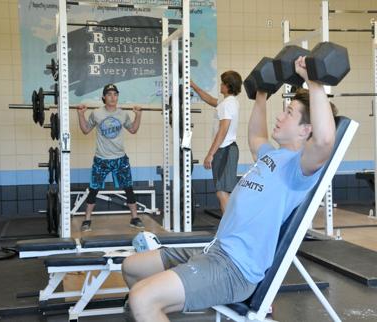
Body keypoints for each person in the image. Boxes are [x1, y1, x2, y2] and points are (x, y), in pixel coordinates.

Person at [121, 56, 337, 322]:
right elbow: (256, 137)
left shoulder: (299, 170)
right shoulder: (272, 154)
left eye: (289, 113)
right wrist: (261, 95)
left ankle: (152, 305)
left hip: (235, 268)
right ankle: (154, 309)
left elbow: (326, 140)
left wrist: (313, 81)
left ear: (306, 130)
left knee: (142, 298)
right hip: (214, 250)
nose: (280, 117)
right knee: (132, 267)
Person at [77, 83, 144, 232]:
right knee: (94, 189)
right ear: (103, 97)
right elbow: (85, 130)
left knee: (128, 188)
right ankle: (87, 220)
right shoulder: (96, 113)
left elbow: (133, 129)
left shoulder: (123, 114)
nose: (113, 97)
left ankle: (134, 218)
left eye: (115, 94)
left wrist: (138, 115)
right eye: (109, 94)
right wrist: (81, 114)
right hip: (101, 158)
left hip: (120, 158)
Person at [191, 70, 242, 214]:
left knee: (222, 192)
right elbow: (209, 99)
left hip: (225, 149)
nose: (220, 85)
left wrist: (210, 154)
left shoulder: (227, 105)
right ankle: (231, 226)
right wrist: (194, 86)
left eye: (222, 83)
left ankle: (228, 229)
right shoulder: (228, 103)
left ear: (227, 86)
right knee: (224, 191)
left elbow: (223, 129)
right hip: (226, 149)